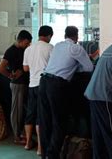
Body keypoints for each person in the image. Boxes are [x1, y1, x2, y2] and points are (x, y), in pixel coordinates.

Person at [39, 26, 93, 159]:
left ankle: (45, 154)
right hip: (57, 85)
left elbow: (61, 62)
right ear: (76, 36)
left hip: (44, 81)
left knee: (46, 120)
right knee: (59, 122)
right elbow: (89, 67)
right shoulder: (76, 48)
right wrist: (79, 63)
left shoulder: (58, 45)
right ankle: (52, 156)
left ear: (65, 35)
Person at [0, 30, 32, 144]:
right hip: (18, 84)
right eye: (26, 43)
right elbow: (0, 68)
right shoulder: (11, 51)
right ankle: (17, 136)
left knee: (23, 110)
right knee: (17, 111)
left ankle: (21, 132)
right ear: (20, 40)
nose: (28, 45)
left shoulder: (24, 50)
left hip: (25, 83)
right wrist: (10, 76)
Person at [23, 25, 54, 155]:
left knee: (30, 114)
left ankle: (28, 142)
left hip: (32, 85)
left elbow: (25, 68)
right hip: (44, 85)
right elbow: (54, 66)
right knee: (41, 116)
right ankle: (40, 148)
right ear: (49, 36)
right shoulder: (50, 48)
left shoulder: (29, 49)